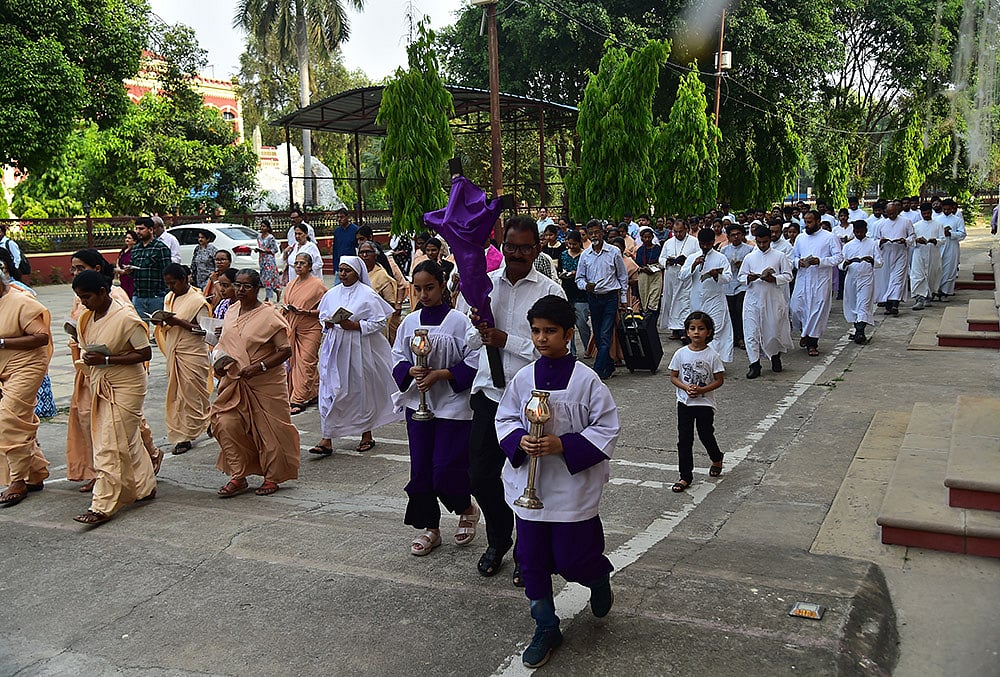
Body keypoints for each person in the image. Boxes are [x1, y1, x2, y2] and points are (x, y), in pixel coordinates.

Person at [495, 295, 619, 669]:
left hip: (570, 488)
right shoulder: (523, 378)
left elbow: (607, 427)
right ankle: (546, 625)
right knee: (530, 560)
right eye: (535, 331)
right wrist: (520, 440)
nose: (541, 338)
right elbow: (504, 419)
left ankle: (596, 576)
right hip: (529, 487)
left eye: (550, 331)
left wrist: (561, 444)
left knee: (572, 559)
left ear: (568, 334)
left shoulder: (587, 382)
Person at [466, 215, 565, 582]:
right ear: (502, 247)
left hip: (532, 403)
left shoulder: (550, 292)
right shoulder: (484, 287)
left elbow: (554, 348)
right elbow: (467, 341)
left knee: (529, 479)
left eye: (526, 247)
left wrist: (509, 340)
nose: (518, 253)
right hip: (490, 395)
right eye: (511, 246)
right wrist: (480, 330)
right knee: (479, 476)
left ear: (537, 248)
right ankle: (498, 538)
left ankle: (528, 552)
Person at [391, 260, 480, 556]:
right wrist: (409, 370)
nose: (424, 294)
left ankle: (466, 507)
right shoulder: (409, 322)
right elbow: (396, 356)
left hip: (453, 406)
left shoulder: (459, 322)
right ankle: (431, 527)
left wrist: (442, 374)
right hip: (419, 405)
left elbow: (475, 359)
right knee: (421, 470)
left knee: (445, 469)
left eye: (429, 287)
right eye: (418, 289)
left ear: (443, 286)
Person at [66, 250, 161, 491]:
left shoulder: (118, 300)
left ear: (97, 271)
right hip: (93, 371)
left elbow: (134, 341)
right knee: (99, 426)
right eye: (73, 269)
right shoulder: (85, 302)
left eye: (81, 267)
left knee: (115, 436)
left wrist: (107, 358)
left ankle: (105, 496)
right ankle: (139, 482)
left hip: (121, 375)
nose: (76, 272)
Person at [213, 270, 300, 497]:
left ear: (257, 288)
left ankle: (272, 476)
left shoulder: (270, 316)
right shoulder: (231, 311)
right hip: (235, 383)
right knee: (224, 423)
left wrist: (259, 367)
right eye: (237, 285)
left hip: (265, 383)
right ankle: (238, 475)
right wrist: (219, 365)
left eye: (247, 286)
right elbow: (224, 344)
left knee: (269, 431)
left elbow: (285, 350)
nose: (240, 290)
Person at [309, 256, 400, 456]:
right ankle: (327, 438)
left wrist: (356, 325)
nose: (342, 274)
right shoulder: (331, 294)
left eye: (347, 270)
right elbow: (323, 319)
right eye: (340, 270)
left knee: (360, 391)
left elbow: (379, 323)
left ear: (357, 272)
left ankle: (366, 434)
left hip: (358, 349)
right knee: (330, 391)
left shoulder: (368, 295)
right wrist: (329, 323)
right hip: (335, 349)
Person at [0, 270, 52, 507]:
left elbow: (41, 337)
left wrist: (3, 342)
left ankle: (18, 480)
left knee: (9, 419)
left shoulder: (20, 301)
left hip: (27, 364)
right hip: (3, 367)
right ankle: (35, 472)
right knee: (20, 419)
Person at [154, 263, 212, 455]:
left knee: (193, 393)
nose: (171, 287)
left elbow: (204, 331)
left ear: (185, 280)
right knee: (178, 395)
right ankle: (206, 421)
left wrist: (178, 322)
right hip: (174, 350)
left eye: (173, 283)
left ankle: (186, 436)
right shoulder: (169, 297)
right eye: (167, 284)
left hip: (193, 352)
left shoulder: (198, 301)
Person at [668, 311, 725, 493]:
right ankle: (685, 476)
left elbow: (719, 379)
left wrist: (702, 390)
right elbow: (674, 376)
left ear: (708, 332)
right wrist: (685, 388)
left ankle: (716, 457)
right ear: (686, 331)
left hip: (704, 404)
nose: (696, 332)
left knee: (705, 434)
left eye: (701, 329)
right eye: (692, 328)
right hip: (684, 403)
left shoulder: (712, 355)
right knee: (684, 440)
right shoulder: (680, 353)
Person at [576, 220, 628, 380]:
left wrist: (624, 298)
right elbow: (579, 279)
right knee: (598, 335)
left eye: (597, 232)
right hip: (593, 297)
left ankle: (597, 371)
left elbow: (622, 276)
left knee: (605, 333)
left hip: (610, 297)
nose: (594, 236)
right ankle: (609, 364)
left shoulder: (613, 252)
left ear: (602, 232)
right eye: (591, 233)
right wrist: (586, 286)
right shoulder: (585, 255)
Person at [739, 225, 794, 379]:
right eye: (759, 242)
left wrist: (774, 278)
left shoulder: (779, 256)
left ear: (770, 240)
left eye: (765, 242)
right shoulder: (750, 257)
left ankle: (775, 356)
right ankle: (754, 364)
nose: (762, 245)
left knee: (772, 332)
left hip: (772, 299)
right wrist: (748, 278)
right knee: (751, 333)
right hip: (753, 299)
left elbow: (788, 276)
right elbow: (741, 276)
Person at [790, 211, 843, 357]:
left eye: (810, 222)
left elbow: (838, 257)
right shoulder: (800, 238)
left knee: (817, 311)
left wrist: (820, 261)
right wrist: (798, 262)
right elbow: (793, 257)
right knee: (796, 308)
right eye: (805, 222)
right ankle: (804, 332)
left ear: (818, 221)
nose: (806, 225)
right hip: (803, 279)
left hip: (821, 280)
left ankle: (812, 343)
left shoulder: (829, 237)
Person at [680, 228, 734, 363]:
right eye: (702, 244)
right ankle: (700, 359)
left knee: (715, 329)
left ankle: (713, 361)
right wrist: (693, 265)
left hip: (715, 299)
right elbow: (681, 276)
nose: (704, 247)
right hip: (697, 299)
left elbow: (728, 278)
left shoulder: (720, 258)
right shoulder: (693, 257)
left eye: (708, 244)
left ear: (712, 242)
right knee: (698, 329)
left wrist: (717, 275)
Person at [281, 253, 326, 414]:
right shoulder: (291, 284)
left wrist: (305, 312)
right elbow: (284, 304)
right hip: (293, 326)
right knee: (294, 361)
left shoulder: (318, 285)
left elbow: (326, 310)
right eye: (296, 263)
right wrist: (287, 310)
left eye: (302, 263)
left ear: (309, 266)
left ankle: (298, 399)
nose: (298, 266)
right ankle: (313, 391)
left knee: (306, 361)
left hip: (311, 327)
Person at [840, 221, 882, 345]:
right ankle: (857, 328)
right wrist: (847, 263)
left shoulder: (872, 244)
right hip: (851, 278)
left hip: (866, 278)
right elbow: (840, 264)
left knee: (864, 304)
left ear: (865, 230)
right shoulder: (848, 246)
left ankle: (860, 332)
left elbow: (880, 262)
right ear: (854, 231)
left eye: (861, 232)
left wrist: (872, 260)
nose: (859, 234)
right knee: (852, 304)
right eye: (857, 232)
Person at [657, 220, 700, 339]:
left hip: (686, 277)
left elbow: (698, 256)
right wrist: (667, 261)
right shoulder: (668, 242)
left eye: (680, 231)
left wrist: (686, 261)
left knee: (684, 302)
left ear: (686, 229)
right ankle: (674, 330)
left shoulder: (694, 241)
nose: (678, 234)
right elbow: (661, 258)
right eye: (675, 232)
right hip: (671, 275)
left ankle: (684, 330)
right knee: (670, 301)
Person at [128, 217, 173, 330]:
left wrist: (165, 292)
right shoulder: (135, 249)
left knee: (162, 328)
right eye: (137, 229)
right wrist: (129, 271)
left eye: (141, 229)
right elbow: (133, 272)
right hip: (139, 295)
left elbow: (167, 272)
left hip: (156, 295)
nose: (138, 232)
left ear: (151, 230)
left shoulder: (160, 248)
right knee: (140, 328)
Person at [876, 201, 915, 316]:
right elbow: (874, 239)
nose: (892, 215)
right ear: (886, 213)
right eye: (889, 213)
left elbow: (912, 236)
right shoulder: (881, 224)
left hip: (900, 253)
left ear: (897, 211)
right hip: (886, 254)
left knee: (897, 279)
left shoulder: (906, 222)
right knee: (887, 280)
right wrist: (881, 241)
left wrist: (905, 241)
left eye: (894, 213)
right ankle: (888, 305)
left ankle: (895, 305)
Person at [359, 240, 401, 344]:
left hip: (376, 325)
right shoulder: (357, 274)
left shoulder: (382, 276)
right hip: (357, 325)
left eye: (368, 252)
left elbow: (390, 304)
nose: (364, 255)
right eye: (361, 252)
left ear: (375, 254)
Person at [559, 231, 591, 357]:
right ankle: (570, 351)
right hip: (567, 290)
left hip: (581, 293)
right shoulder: (563, 255)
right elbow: (559, 270)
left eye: (574, 244)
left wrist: (575, 273)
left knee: (582, 322)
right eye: (569, 244)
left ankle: (588, 347)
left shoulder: (585, 255)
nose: (571, 246)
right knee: (568, 324)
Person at [721, 224, 753, 350]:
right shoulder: (724, 250)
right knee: (731, 312)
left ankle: (742, 337)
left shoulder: (749, 249)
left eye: (738, 234)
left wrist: (742, 265)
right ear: (728, 237)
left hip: (742, 285)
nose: (736, 237)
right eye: (733, 235)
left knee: (740, 311)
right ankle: (732, 337)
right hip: (728, 285)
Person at [909, 203, 945, 311]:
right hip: (919, 253)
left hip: (933, 253)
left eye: (928, 213)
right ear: (921, 213)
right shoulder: (916, 226)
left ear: (931, 212)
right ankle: (919, 299)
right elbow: (910, 241)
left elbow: (943, 240)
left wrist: (935, 241)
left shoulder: (938, 225)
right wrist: (917, 240)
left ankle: (929, 297)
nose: (926, 215)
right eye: (924, 213)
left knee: (932, 275)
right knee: (917, 276)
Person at [936, 198, 966, 300]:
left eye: (948, 209)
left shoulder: (957, 220)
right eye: (944, 209)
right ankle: (937, 290)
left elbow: (962, 234)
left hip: (952, 246)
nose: (946, 211)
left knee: (949, 269)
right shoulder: (937, 219)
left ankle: (945, 292)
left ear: (952, 208)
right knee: (938, 268)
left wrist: (951, 234)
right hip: (939, 247)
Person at [635, 226, 663, 321]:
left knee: (654, 296)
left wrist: (652, 268)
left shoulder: (657, 249)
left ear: (652, 237)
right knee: (644, 297)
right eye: (645, 237)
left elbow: (661, 262)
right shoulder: (640, 250)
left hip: (655, 275)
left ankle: (652, 317)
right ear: (641, 238)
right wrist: (643, 268)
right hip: (643, 276)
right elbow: (637, 264)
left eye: (649, 237)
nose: (647, 239)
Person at [256, 219, 282, 302]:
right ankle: (276, 290)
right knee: (263, 278)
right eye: (261, 226)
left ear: (267, 228)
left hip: (269, 259)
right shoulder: (259, 236)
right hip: (262, 259)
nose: (262, 228)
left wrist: (266, 251)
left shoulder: (270, 237)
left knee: (268, 278)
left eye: (264, 226)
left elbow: (275, 249)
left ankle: (268, 297)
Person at [332, 207, 359, 285]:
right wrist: (335, 267)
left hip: (351, 265)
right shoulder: (337, 231)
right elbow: (335, 249)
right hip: (340, 265)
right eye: (338, 217)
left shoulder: (355, 230)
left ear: (348, 217)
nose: (339, 219)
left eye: (342, 217)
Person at [115, 230, 139, 299]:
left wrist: (124, 271)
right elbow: (118, 260)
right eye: (126, 238)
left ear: (134, 241)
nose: (127, 240)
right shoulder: (123, 250)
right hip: (122, 278)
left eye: (129, 238)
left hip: (130, 277)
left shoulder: (135, 251)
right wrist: (118, 269)